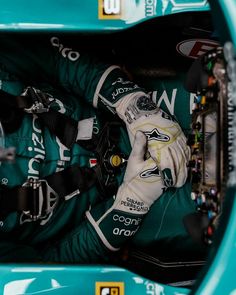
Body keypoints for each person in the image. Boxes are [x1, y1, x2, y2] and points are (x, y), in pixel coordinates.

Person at [0, 34, 191, 263]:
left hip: (120, 114)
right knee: (218, 213)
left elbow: (58, 62)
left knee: (221, 96)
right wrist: (126, 210)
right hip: (122, 205)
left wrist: (132, 104)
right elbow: (52, 267)